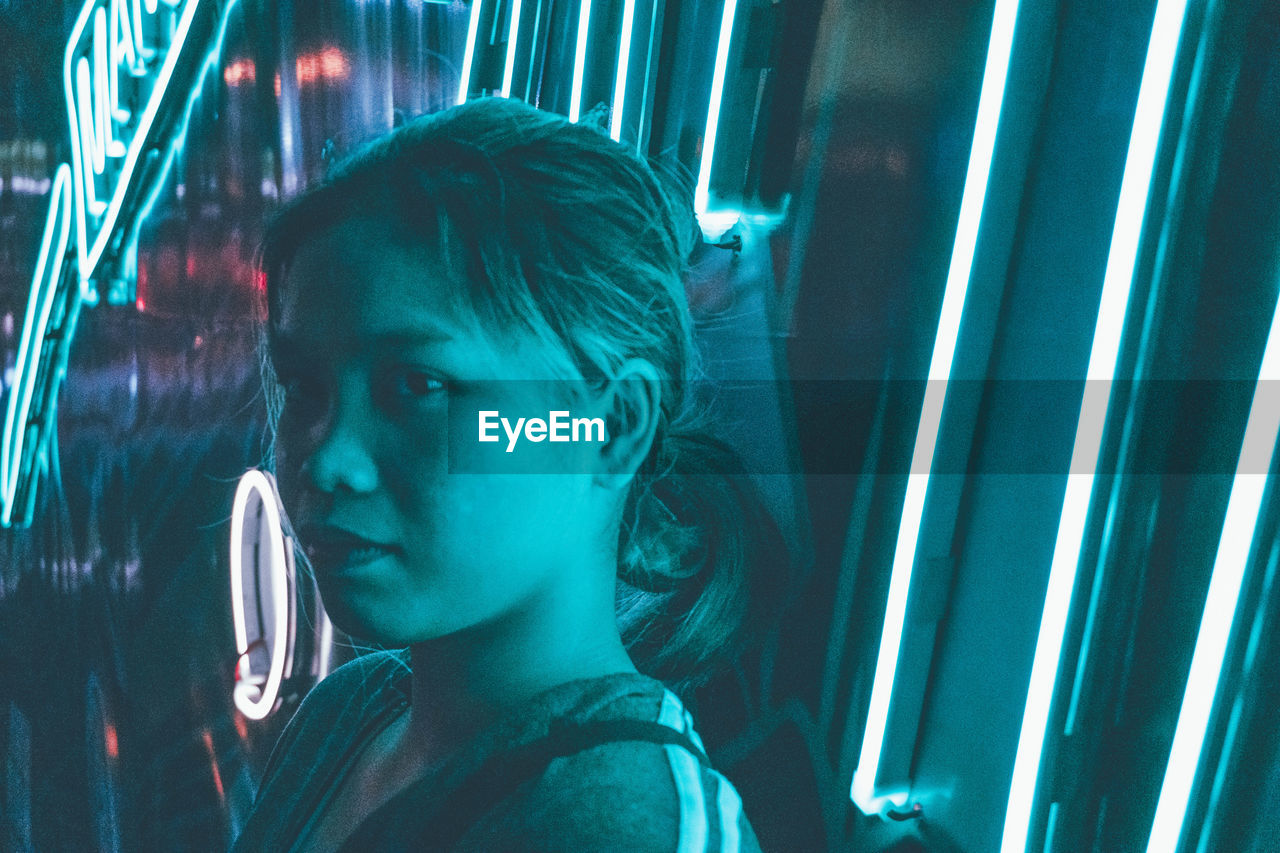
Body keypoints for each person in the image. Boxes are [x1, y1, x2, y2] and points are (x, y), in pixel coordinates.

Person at [230, 96, 778, 852]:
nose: (327, 459)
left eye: (420, 387)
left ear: (612, 426)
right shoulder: (351, 712)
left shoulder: (624, 830)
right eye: (305, 388)